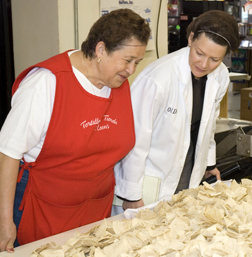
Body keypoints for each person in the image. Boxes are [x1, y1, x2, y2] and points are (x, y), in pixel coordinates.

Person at [0, 8, 150, 253]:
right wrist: (4, 222)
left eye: (137, 62)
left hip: (95, 213)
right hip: (45, 211)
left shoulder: (117, 82)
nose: (132, 70)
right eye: (128, 60)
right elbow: (7, 154)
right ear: (100, 50)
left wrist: (132, 196)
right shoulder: (46, 83)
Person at [114, 10, 240, 211]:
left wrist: (208, 164)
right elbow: (134, 140)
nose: (204, 64)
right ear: (190, 39)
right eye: (199, 53)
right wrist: (130, 193)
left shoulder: (220, 76)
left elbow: (209, 124)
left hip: (188, 173)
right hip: (150, 180)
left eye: (215, 59)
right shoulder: (157, 78)